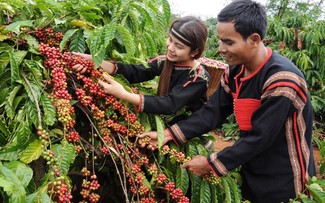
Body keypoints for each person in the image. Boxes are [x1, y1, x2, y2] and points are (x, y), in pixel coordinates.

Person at [137, 0, 316, 202]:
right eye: (221, 40)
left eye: (229, 42)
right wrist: (168, 134)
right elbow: (212, 113)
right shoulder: (235, 71)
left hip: (285, 177)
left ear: (254, 39)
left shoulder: (282, 80)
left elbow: (260, 137)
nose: (220, 48)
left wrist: (210, 164)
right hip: (252, 165)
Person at [73, 16, 217, 148]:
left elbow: (170, 103)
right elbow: (136, 71)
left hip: (186, 134)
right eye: (170, 40)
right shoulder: (165, 61)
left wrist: (123, 94)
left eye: (179, 46)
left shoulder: (198, 77)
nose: (170, 47)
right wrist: (95, 62)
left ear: (194, 52)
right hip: (164, 125)